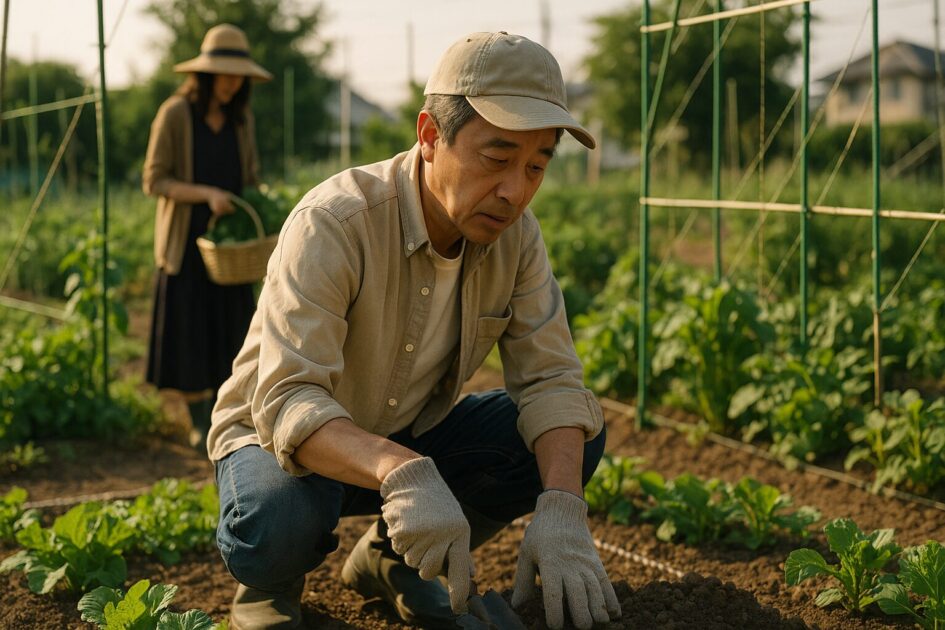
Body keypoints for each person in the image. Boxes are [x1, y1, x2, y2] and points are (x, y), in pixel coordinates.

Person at [208, 31, 621, 630]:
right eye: (497, 158)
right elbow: (288, 400)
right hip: (283, 440)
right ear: (430, 136)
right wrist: (400, 470)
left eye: (537, 166)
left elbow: (552, 379)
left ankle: (393, 561)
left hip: (407, 435)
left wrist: (562, 505)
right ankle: (269, 587)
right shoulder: (335, 222)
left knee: (572, 432)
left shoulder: (517, 237)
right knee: (276, 518)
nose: (515, 191)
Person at [142, 24, 272, 451]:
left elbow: (250, 178)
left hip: (229, 246)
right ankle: (198, 422)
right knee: (191, 333)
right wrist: (206, 194)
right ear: (206, 74)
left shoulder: (242, 120)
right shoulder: (175, 113)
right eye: (225, 74)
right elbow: (154, 180)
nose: (233, 83)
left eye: (239, 77)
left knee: (232, 333)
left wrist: (262, 204)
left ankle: (226, 418)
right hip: (187, 241)